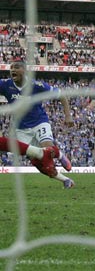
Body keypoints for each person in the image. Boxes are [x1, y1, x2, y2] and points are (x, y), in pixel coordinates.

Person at [0, 61, 75, 189]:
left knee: (48, 151)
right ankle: (66, 180)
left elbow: (61, 95)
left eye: (17, 67)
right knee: (37, 162)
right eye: (11, 68)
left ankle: (60, 155)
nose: (13, 70)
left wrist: (68, 115)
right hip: (21, 129)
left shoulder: (37, 85)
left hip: (39, 122)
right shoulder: (5, 85)